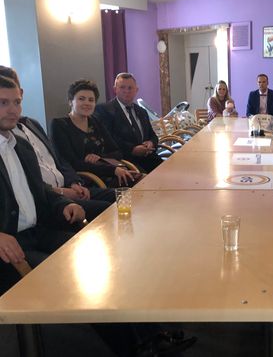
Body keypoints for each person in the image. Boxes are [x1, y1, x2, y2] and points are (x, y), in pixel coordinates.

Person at [0, 75, 85, 294]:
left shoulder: (21, 146)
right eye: (3, 103)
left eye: (17, 102)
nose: (12, 110)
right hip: (10, 246)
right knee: (68, 277)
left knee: (92, 254)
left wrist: (64, 203)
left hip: (39, 231)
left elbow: (40, 190)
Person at [50, 79, 136, 187]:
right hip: (86, 180)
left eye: (91, 100)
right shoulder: (59, 125)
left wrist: (99, 157)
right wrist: (112, 170)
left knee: (145, 182)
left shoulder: (95, 122)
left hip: (110, 173)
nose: (87, 103)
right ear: (70, 101)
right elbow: (71, 163)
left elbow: (117, 152)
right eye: (81, 99)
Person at [94, 72, 162, 173]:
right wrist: (132, 149)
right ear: (115, 89)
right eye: (122, 87)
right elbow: (109, 138)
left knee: (171, 171)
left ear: (136, 90)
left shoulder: (141, 111)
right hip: (125, 161)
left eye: (130, 88)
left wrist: (151, 143)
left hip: (148, 158)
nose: (126, 91)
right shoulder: (104, 110)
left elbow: (152, 135)